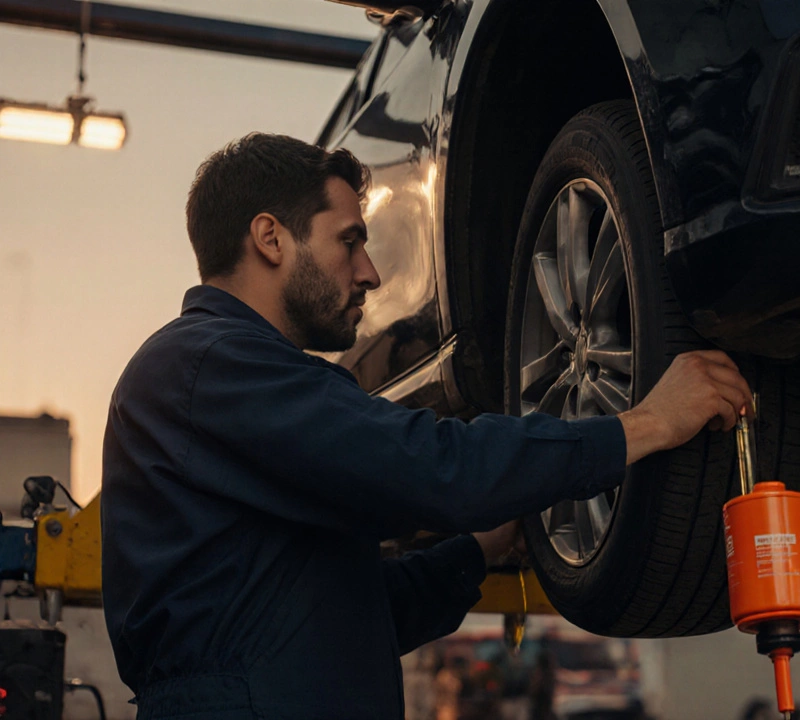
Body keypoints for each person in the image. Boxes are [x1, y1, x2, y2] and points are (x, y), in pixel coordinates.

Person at [100, 133, 753, 719]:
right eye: (349, 241)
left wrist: (480, 548)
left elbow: (354, 617)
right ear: (271, 238)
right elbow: (431, 466)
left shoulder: (225, 381)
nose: (369, 272)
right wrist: (647, 423)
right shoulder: (208, 364)